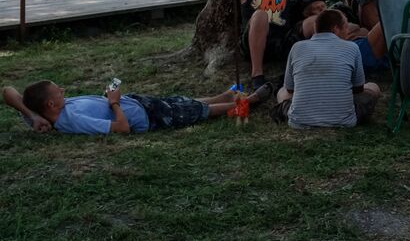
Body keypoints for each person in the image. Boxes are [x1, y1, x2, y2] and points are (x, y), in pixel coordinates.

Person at [220, 0, 322, 100]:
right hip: (254, 42)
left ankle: (323, 65)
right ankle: (257, 75)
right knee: (261, 14)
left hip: (283, 40)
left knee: (316, 21)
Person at [272, 9, 380, 129]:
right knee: (373, 87)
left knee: (282, 91)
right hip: (345, 120)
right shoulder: (352, 48)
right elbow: (358, 89)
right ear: (335, 29)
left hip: (299, 121)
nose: (348, 31)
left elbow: (290, 90)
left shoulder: (297, 47)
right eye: (345, 27)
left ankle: (303, 110)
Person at [4, 80, 238, 135]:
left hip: (138, 102)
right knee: (195, 112)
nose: (64, 91)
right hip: (147, 118)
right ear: (51, 103)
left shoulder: (39, 113)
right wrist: (114, 102)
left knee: (182, 101)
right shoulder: (72, 119)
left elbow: (8, 91)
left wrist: (30, 116)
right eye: (59, 92)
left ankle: (224, 95)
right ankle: (245, 102)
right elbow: (122, 128)